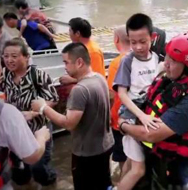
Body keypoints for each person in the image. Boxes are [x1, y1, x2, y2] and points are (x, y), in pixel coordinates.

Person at [118, 33, 188, 189]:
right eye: (167, 57)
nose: (166, 64)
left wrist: (123, 125)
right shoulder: (172, 79)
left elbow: (152, 134)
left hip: (175, 167)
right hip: (157, 155)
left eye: (173, 61)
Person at [31, 43, 114, 190]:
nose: (64, 66)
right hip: (105, 145)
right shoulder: (99, 78)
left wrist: (43, 107)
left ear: (80, 62)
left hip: (87, 152)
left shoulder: (79, 90)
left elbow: (69, 123)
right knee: (103, 183)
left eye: (66, 62)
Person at [112, 13, 163, 190]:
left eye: (143, 41)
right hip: (132, 114)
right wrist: (141, 116)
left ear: (153, 37)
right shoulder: (127, 61)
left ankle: (118, 183)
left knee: (132, 158)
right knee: (138, 169)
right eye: (133, 42)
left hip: (148, 111)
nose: (138, 47)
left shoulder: (157, 59)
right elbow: (122, 94)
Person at [0, 38, 58, 187]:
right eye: (5, 56)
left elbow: (53, 99)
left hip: (38, 128)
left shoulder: (38, 75)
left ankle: (50, 180)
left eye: (14, 56)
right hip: (14, 129)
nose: (9, 60)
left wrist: (33, 112)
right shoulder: (6, 74)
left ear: (26, 57)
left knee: (39, 168)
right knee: (19, 171)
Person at [0, 100, 50, 190]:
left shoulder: (8, 113)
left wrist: (17, 118)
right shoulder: (6, 112)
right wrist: (42, 137)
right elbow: (32, 157)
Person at [107, 26, 130, 179]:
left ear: (116, 40)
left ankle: (124, 181)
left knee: (123, 158)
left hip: (120, 120)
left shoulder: (117, 63)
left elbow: (110, 93)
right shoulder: (144, 57)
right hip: (138, 118)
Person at [59, 17, 105, 85]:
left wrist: (73, 80)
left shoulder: (93, 51)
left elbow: (96, 78)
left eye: (70, 31)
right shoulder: (79, 48)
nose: (69, 34)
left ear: (77, 33)